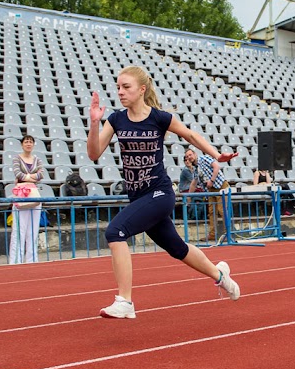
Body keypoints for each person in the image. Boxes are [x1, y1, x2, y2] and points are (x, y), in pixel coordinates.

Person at [87, 66, 240, 319]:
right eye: (118, 87)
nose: (120, 92)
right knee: (177, 248)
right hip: (138, 197)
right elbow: (94, 154)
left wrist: (216, 155)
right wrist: (94, 123)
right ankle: (221, 275)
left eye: (126, 87)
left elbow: (190, 134)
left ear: (142, 90)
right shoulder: (116, 120)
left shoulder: (159, 118)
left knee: (115, 232)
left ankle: (124, 300)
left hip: (159, 193)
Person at [9, 135, 44, 264]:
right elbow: (18, 174)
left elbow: (41, 175)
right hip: (21, 194)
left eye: (30, 142)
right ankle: (16, 260)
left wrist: (26, 177)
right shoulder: (16, 158)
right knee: (19, 229)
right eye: (26, 142)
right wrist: (32, 177)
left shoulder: (37, 159)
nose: (28, 144)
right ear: (22, 144)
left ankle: (32, 260)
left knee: (33, 229)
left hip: (34, 193)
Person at [186, 149, 230, 242]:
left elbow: (216, 167)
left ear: (194, 154)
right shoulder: (195, 168)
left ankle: (228, 234)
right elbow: (194, 183)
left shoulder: (204, 158)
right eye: (187, 156)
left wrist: (212, 180)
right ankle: (213, 234)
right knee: (211, 211)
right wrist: (189, 196)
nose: (189, 157)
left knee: (222, 210)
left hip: (220, 185)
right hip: (210, 189)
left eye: (190, 155)